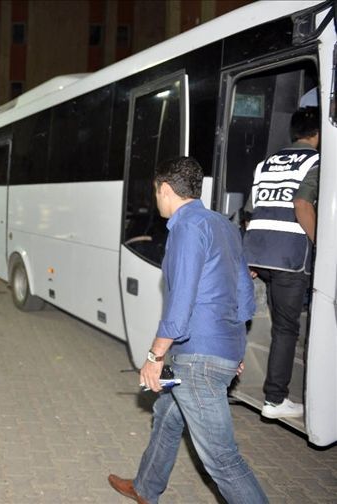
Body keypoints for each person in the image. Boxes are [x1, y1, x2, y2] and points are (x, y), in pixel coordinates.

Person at [108, 157, 267, 504]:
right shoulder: (224, 226)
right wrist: (232, 350)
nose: (156, 199)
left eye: (156, 192)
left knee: (222, 460)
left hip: (196, 359)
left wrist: (154, 355)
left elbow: (180, 303)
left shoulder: (185, 227)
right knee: (167, 415)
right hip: (215, 350)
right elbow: (245, 297)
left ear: (165, 189)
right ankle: (146, 488)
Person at [242, 107, 319, 419]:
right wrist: (322, 245)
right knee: (287, 328)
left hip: (259, 253)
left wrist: (253, 255)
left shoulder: (266, 163)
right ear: (318, 134)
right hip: (289, 256)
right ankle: (275, 399)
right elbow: (302, 204)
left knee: (274, 324)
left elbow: (251, 210)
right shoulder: (316, 161)